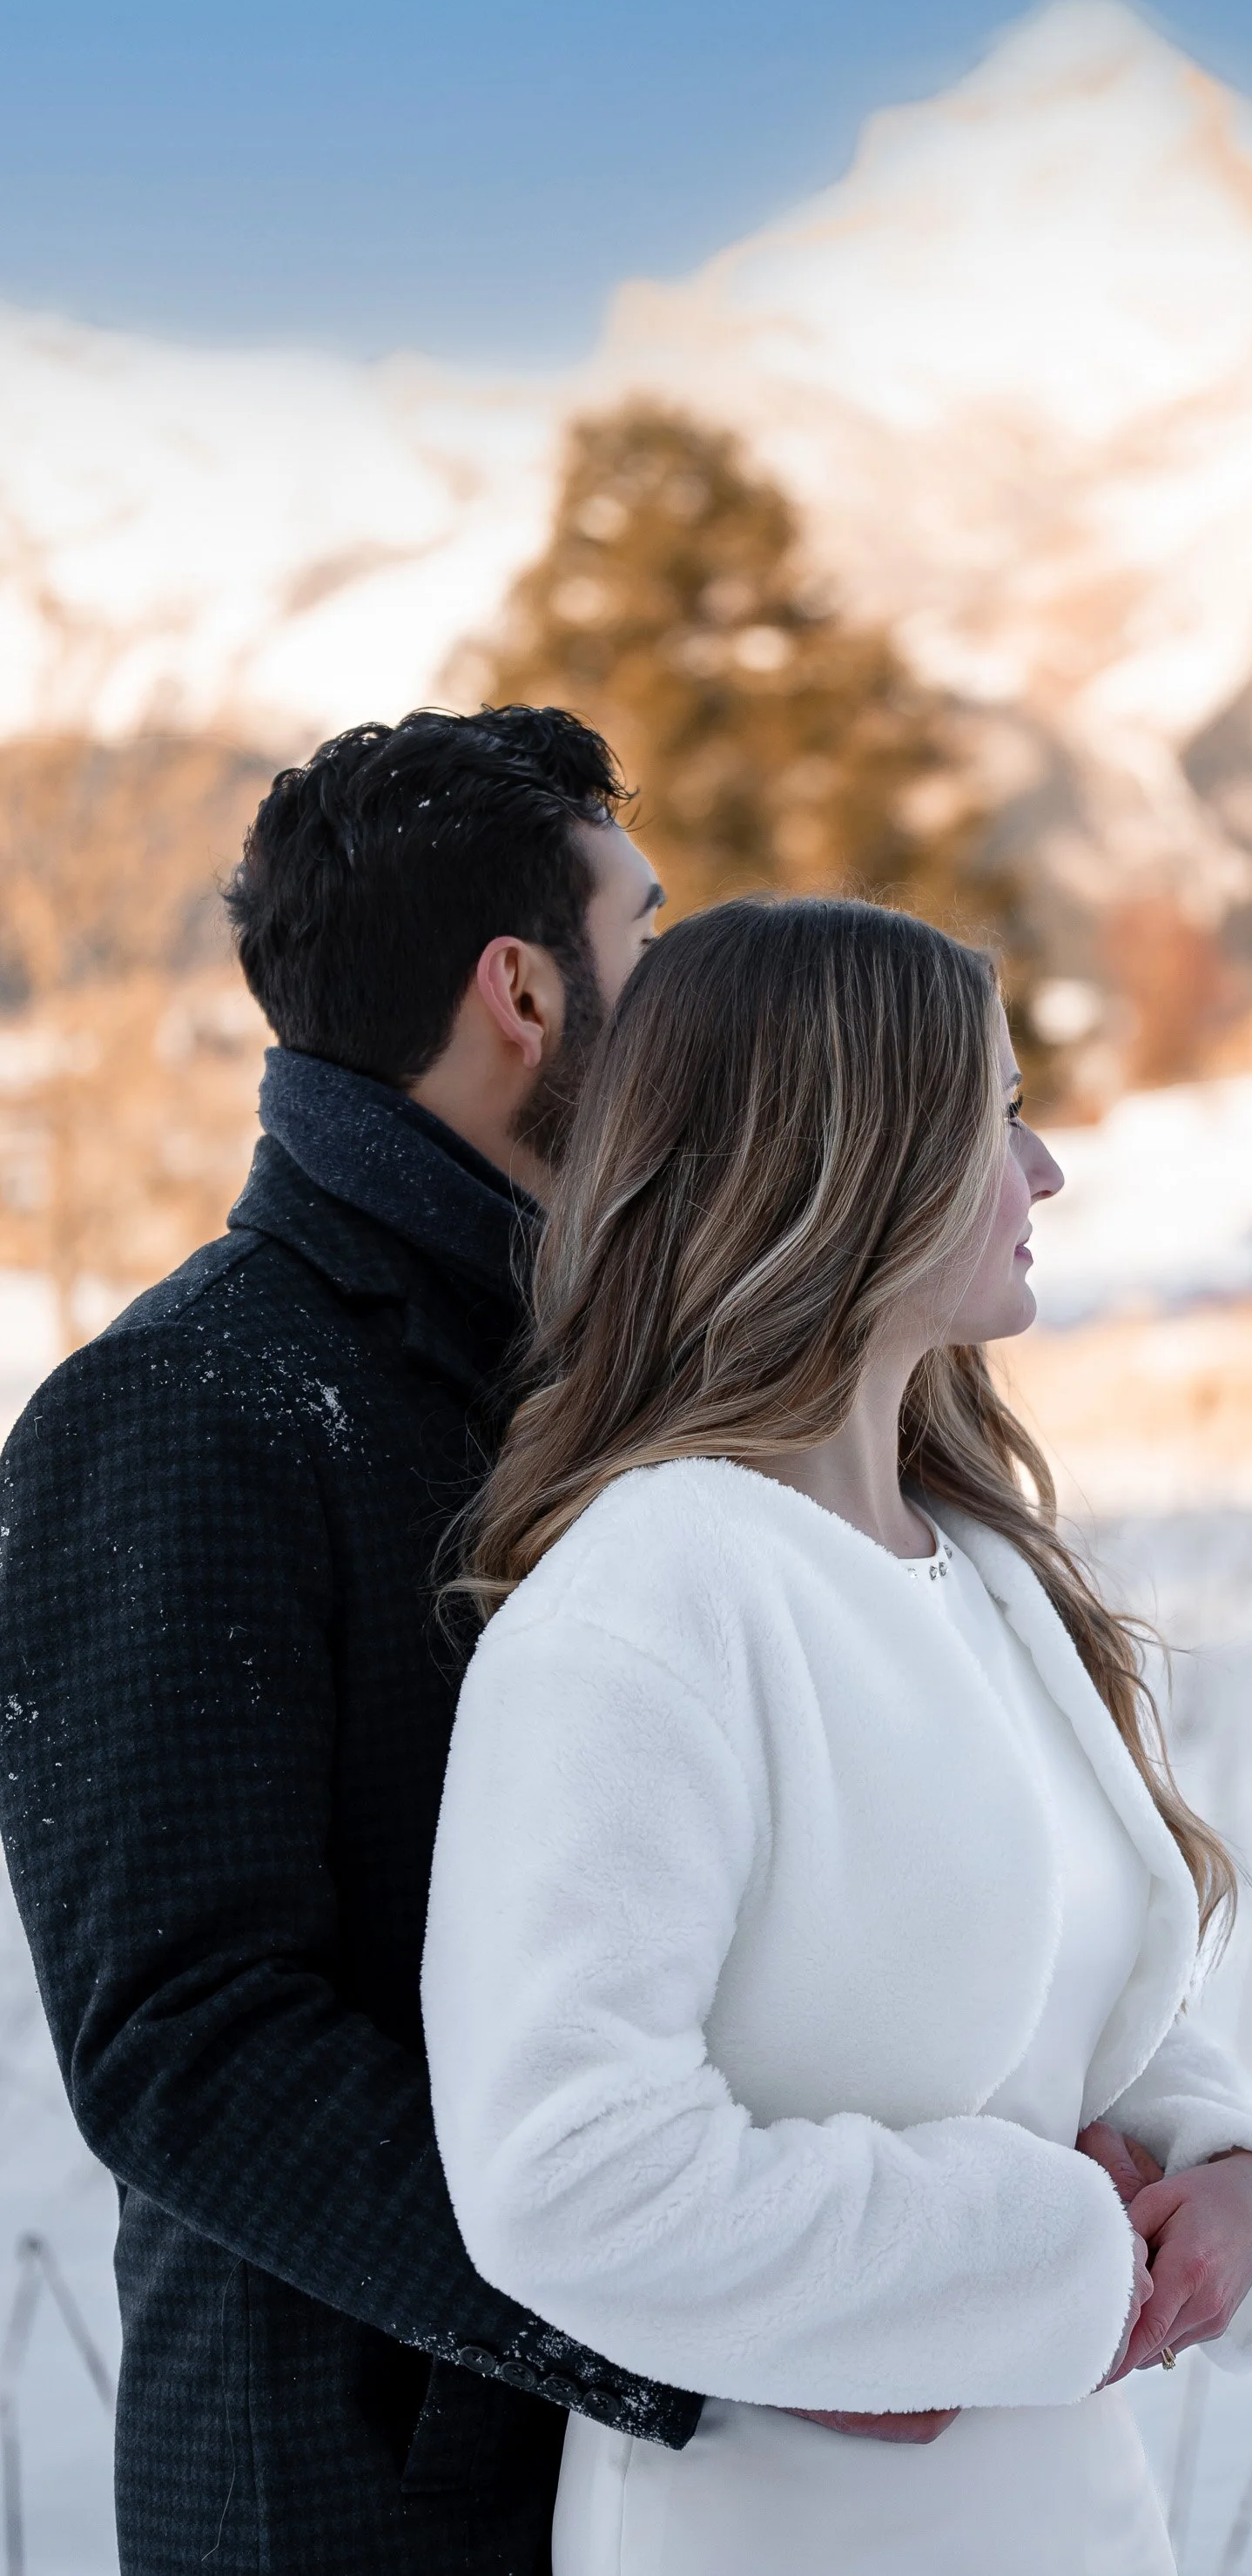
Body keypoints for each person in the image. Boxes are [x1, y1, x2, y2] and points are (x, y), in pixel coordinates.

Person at [423, 896, 1252, 2576]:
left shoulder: (969, 1563)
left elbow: (1053, 1990)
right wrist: (1041, 2254)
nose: (1043, 1171)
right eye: (998, 1113)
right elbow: (567, 2170)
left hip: (1062, 2515)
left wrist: (1226, 2167)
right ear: (855, 1159)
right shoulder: (655, 1597)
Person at [0, 705, 690, 2576]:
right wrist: (664, 2300)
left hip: (664, 2490)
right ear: (523, 995)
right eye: (650, 935)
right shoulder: (182, 1408)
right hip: (365, 2497)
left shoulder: (603, 1382)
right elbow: (185, 2038)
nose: (685, 996)